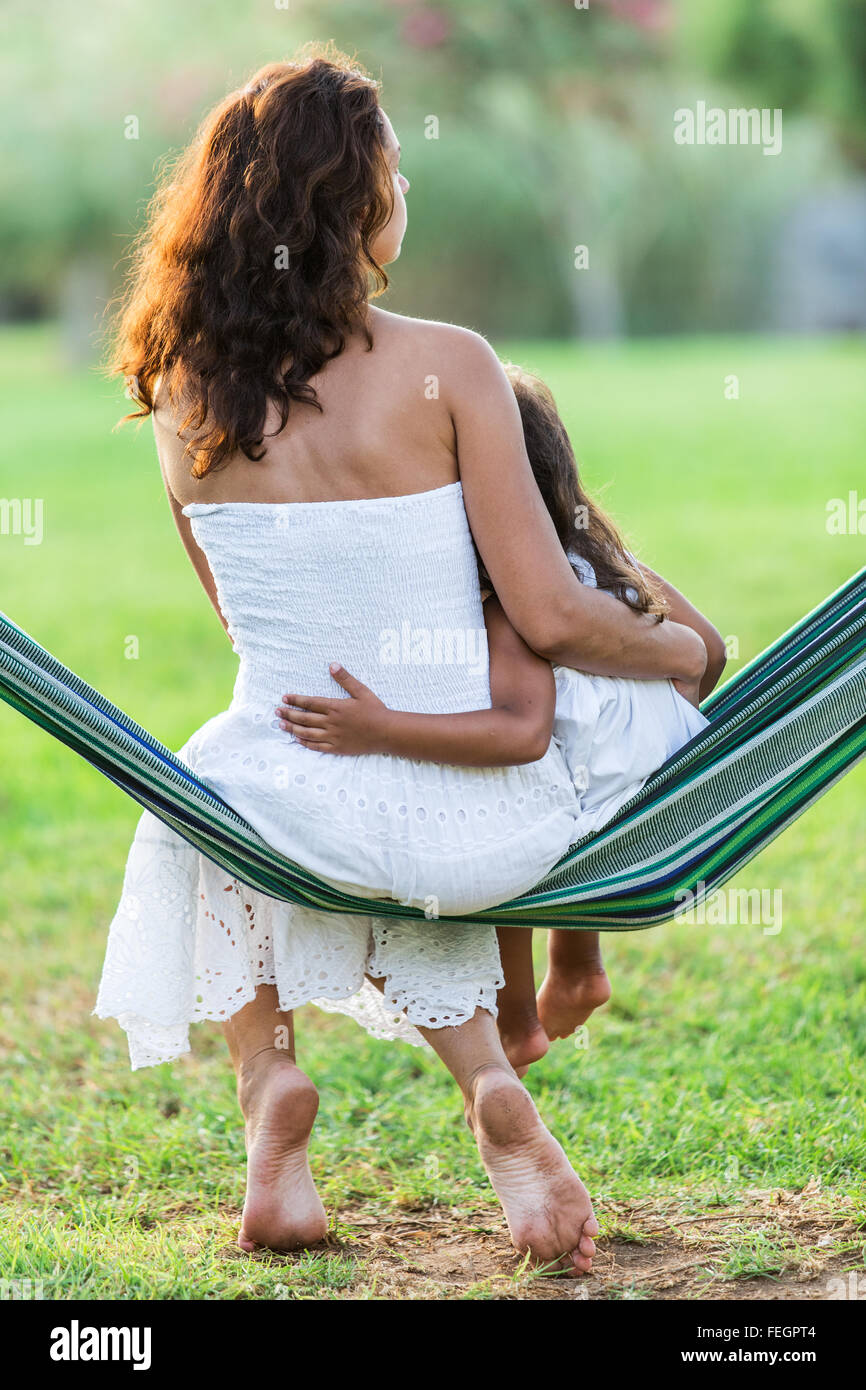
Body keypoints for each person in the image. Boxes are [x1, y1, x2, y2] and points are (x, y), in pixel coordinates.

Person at [96, 46, 712, 1274]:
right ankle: (488, 1082)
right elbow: (544, 612)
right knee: (397, 835)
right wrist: (677, 647)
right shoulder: (450, 365)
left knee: (205, 806)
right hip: (482, 814)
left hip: (271, 796)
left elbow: (240, 624)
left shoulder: (175, 389)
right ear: (349, 203)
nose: (407, 196)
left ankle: (269, 1086)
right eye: (395, 173)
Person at [275, 362, 726, 1072]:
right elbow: (709, 651)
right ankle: (579, 963)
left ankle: (515, 1023)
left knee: (491, 809)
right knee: (563, 786)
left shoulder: (505, 611)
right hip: (661, 779)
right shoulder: (601, 559)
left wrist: (380, 728)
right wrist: (652, 738)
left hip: (583, 796)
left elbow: (521, 734)